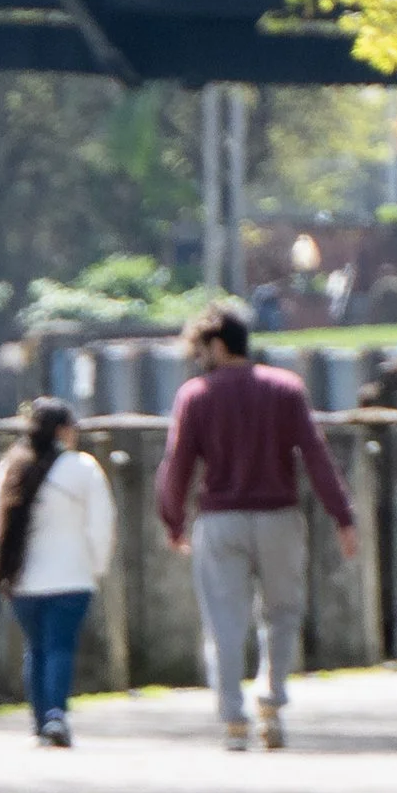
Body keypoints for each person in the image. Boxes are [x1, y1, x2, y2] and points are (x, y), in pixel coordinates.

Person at [156, 304, 358, 751]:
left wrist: (172, 518)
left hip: (220, 521)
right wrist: (342, 514)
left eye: (200, 348)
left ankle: (232, 720)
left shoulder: (196, 395)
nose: (198, 358)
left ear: (218, 344)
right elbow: (316, 456)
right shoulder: (286, 389)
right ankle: (270, 698)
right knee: (282, 612)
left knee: (225, 621)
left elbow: (177, 465)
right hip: (279, 518)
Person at [0, 400, 116, 747]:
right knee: (60, 646)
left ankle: (39, 720)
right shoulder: (83, 468)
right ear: (63, 430)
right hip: (73, 577)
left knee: (37, 649)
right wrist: (97, 566)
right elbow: (101, 525)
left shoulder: (12, 467)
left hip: (24, 580)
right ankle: (55, 716)